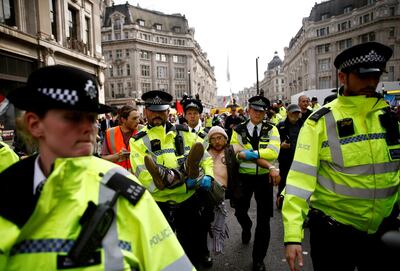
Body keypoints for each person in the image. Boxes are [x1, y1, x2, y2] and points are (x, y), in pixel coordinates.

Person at [0, 65, 194, 271]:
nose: (89, 128)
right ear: (35, 124)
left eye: (92, 118)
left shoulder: (123, 189)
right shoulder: (7, 191)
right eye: (73, 117)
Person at [282, 42, 399, 271]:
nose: (371, 83)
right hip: (334, 235)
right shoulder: (320, 121)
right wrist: (293, 235)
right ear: (342, 77)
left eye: (375, 76)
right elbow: (299, 182)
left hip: (383, 232)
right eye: (363, 76)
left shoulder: (388, 117)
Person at [129, 90, 214, 268]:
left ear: (168, 112)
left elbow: (206, 159)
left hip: (188, 203)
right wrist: (184, 185)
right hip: (159, 205)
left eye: (161, 111)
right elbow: (145, 177)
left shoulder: (185, 133)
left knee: (191, 251)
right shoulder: (137, 141)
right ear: (146, 112)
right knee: (161, 254)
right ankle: (179, 173)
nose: (157, 115)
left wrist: (208, 176)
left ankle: (171, 174)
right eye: (153, 110)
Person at [230, 95, 281, 271]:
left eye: (261, 111)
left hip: (264, 178)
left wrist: (250, 153)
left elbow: (273, 152)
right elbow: (233, 151)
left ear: (265, 112)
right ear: (249, 109)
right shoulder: (238, 129)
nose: (258, 113)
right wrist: (241, 154)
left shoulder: (272, 129)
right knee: (239, 210)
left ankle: (258, 259)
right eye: (255, 109)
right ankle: (246, 226)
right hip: (243, 177)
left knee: (264, 220)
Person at [275, 104, 303, 210]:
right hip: (285, 159)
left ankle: (297, 203)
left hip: (300, 159)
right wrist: (280, 146)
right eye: (293, 113)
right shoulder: (281, 126)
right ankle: (281, 201)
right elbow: (274, 142)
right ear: (288, 113)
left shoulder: (304, 125)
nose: (295, 115)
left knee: (299, 182)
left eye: (297, 113)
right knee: (284, 181)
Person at [100, 105, 141, 171]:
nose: (138, 121)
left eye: (138, 118)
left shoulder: (142, 130)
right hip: (119, 177)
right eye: (134, 118)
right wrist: (118, 156)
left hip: (139, 178)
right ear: (123, 120)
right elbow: (103, 158)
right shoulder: (110, 133)